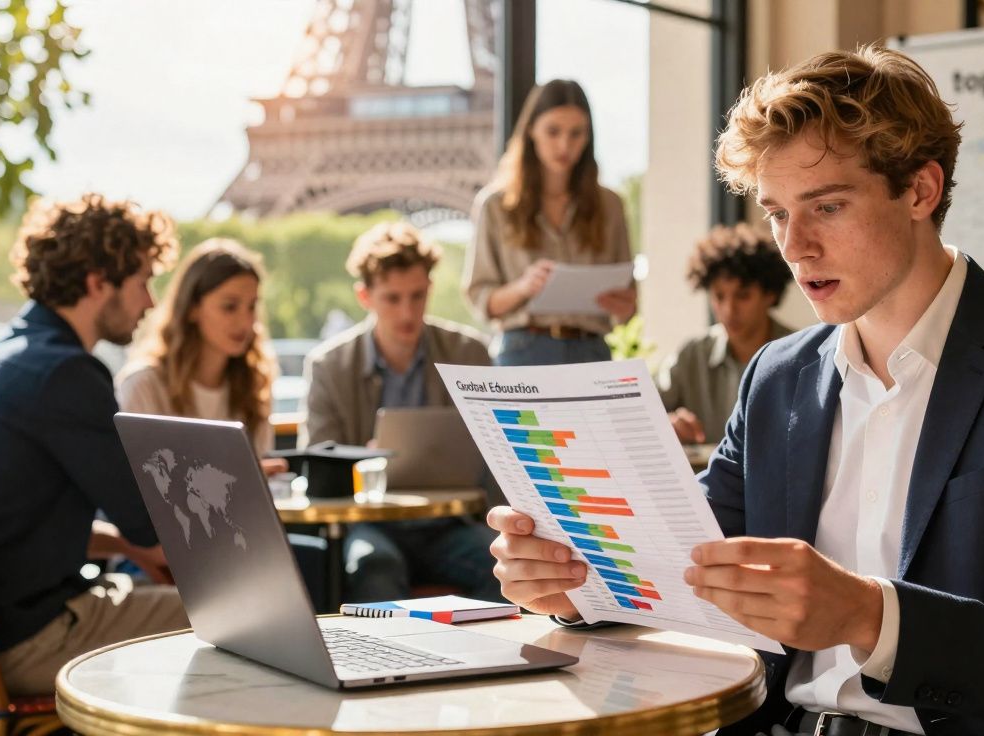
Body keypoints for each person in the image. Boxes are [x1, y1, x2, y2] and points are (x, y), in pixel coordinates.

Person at [485, 46, 984, 735]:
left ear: (921, 191)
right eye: (775, 213)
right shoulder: (777, 376)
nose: (794, 246)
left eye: (826, 207)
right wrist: (576, 586)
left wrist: (870, 617)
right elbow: (683, 568)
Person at [0, 194, 189, 696]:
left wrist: (129, 546)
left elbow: (17, 528)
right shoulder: (66, 373)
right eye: (143, 282)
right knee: (229, 623)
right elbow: (154, 526)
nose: (151, 302)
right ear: (97, 282)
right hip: (25, 643)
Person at [302, 221, 500, 602]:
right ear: (365, 296)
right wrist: (362, 460)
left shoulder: (470, 353)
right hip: (370, 525)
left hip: (449, 524)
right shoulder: (328, 365)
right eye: (392, 298)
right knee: (376, 567)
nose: (408, 312)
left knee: (502, 564)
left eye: (417, 296)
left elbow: (498, 451)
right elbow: (318, 460)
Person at [464, 79, 637, 366]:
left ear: (588, 137)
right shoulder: (495, 205)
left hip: (591, 353)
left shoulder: (610, 206)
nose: (564, 145)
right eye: (553, 131)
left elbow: (627, 308)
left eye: (576, 133)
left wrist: (624, 305)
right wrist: (524, 287)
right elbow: (482, 301)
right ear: (531, 130)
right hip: (523, 351)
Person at [117, 238, 280, 462]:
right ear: (192, 308)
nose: (246, 322)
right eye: (229, 307)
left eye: (252, 306)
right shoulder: (143, 386)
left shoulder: (255, 385)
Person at [659, 223, 792, 445]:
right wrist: (667, 423)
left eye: (743, 296)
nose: (729, 310)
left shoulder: (804, 355)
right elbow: (646, 414)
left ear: (770, 294)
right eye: (719, 297)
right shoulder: (691, 355)